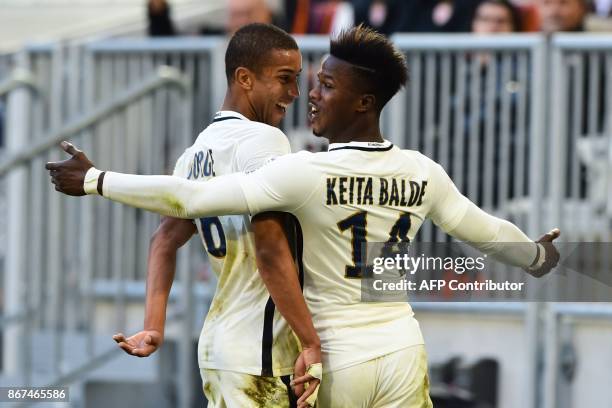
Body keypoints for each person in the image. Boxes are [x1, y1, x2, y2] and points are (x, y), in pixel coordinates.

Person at [48, 25, 561, 407]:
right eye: (309, 82)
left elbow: (192, 199)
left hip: (332, 358)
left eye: (325, 85)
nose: (309, 95)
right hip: (402, 348)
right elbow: (486, 231)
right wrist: (537, 255)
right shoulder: (423, 171)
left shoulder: (302, 172)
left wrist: (98, 180)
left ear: (363, 102)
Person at [96, 23, 320, 408]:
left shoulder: (197, 151)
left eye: (297, 80)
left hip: (218, 350)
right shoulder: (264, 140)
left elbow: (163, 240)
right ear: (244, 78)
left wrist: (154, 325)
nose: (294, 93)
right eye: (285, 79)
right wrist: (311, 340)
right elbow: (268, 249)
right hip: (259, 357)